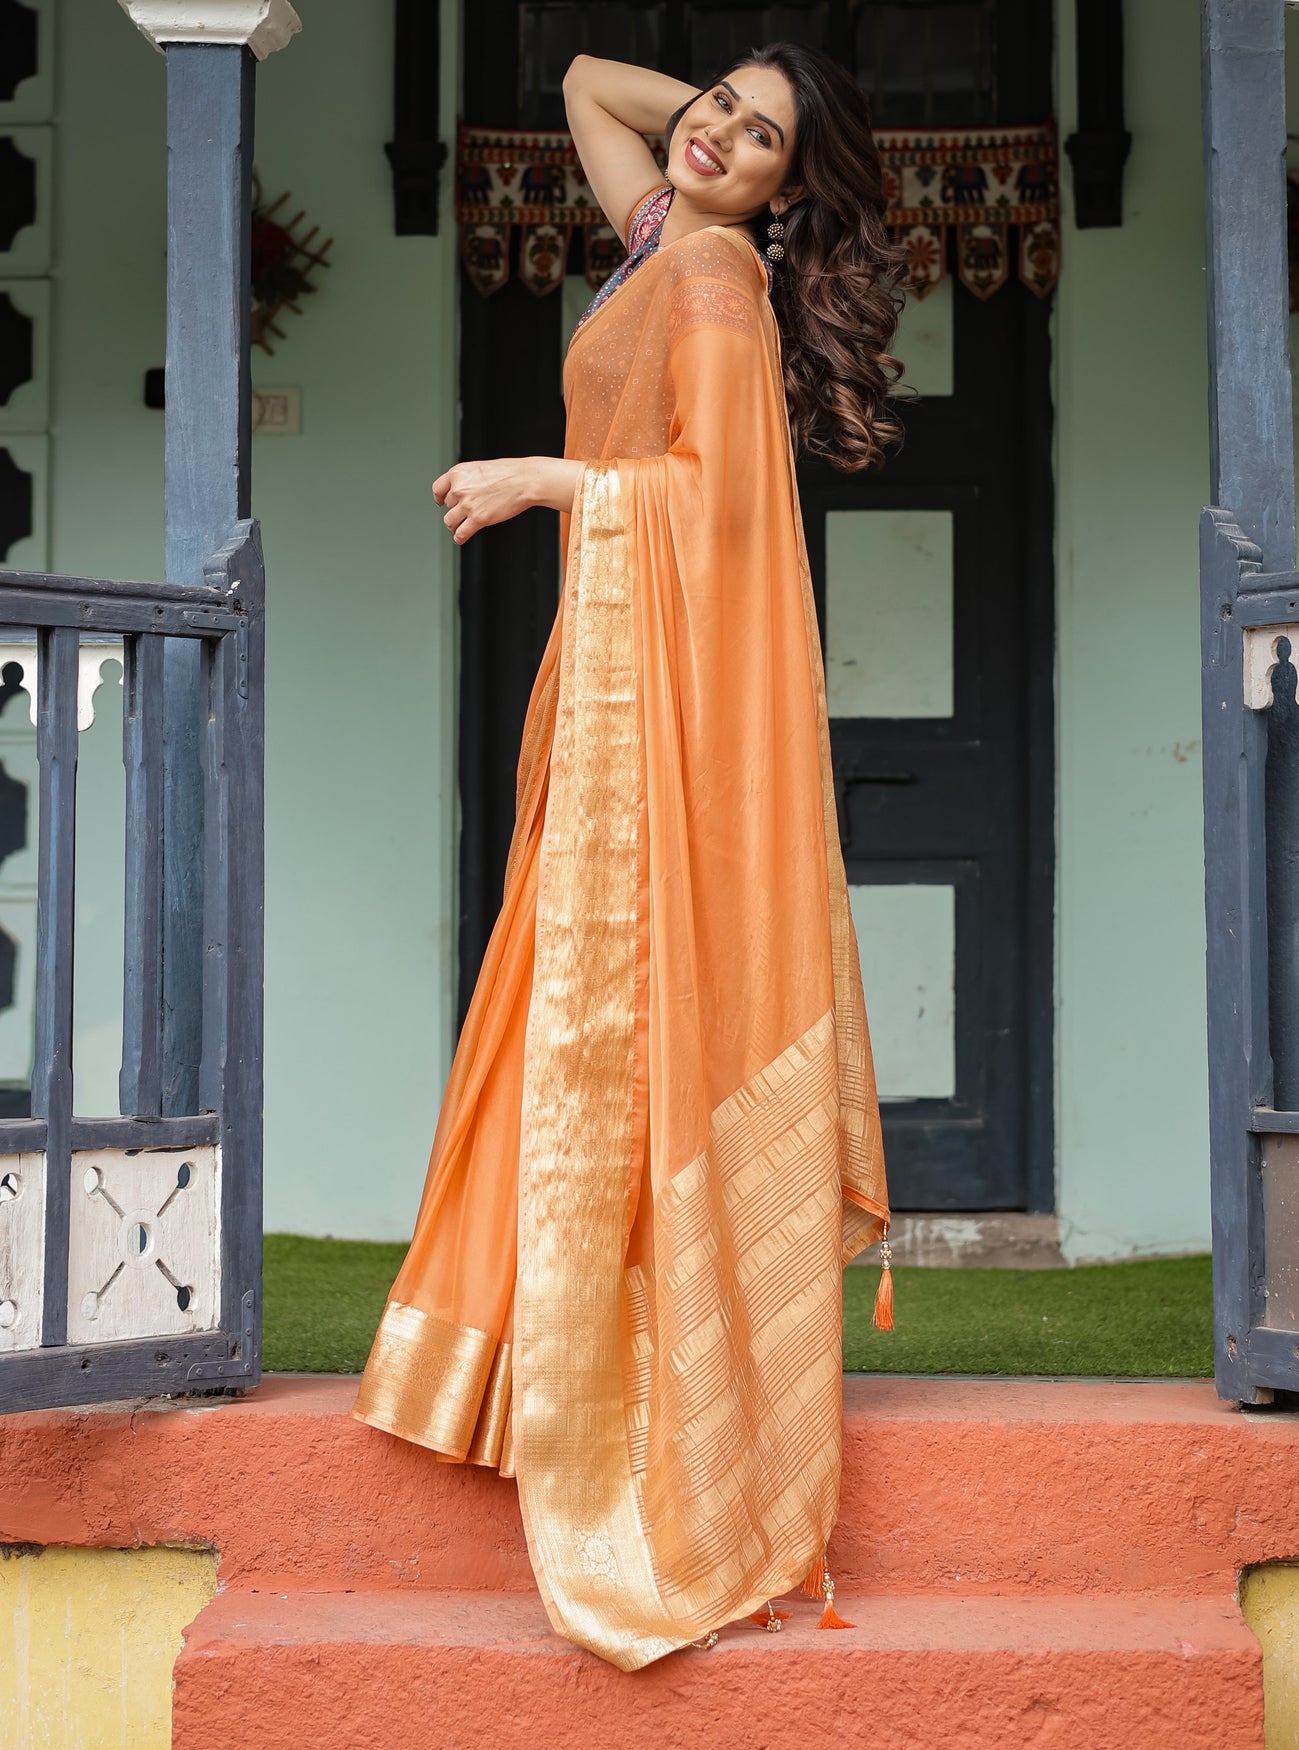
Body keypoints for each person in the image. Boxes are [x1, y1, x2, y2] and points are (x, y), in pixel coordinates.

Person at [353, 43, 902, 1672]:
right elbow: (592, 82)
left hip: (656, 677)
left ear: (794, 190)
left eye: (762, 135)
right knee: (567, 1011)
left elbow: (715, 502)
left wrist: (545, 480)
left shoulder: (718, 277)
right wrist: (728, 122)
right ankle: (526, 1354)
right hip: (616, 675)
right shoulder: (672, 228)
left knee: (608, 1018)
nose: (721, 133)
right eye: (720, 109)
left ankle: (625, 1384)